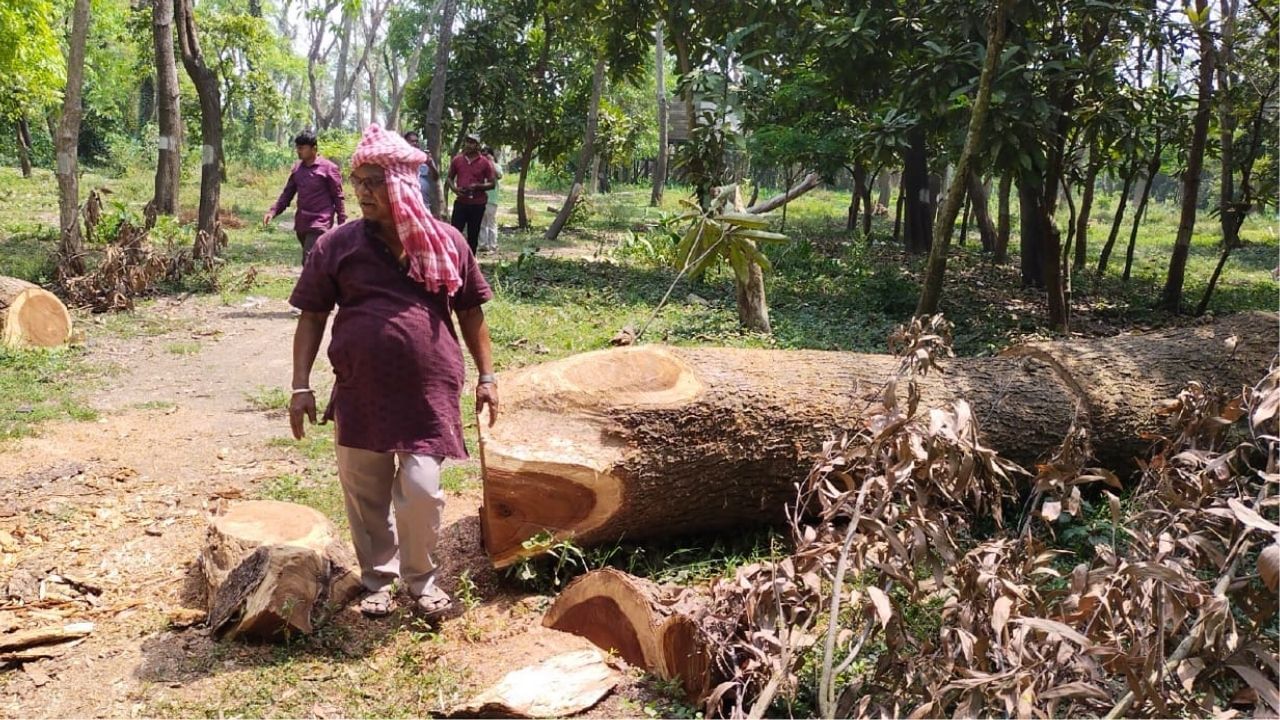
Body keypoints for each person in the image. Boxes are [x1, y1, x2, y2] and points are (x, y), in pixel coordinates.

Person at [287, 124, 498, 619]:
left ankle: (420, 578)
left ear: (403, 184)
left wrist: (488, 377)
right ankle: (377, 578)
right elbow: (313, 315)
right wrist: (300, 385)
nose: (362, 192)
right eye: (358, 181)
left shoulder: (446, 242)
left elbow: (471, 312)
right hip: (360, 389)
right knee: (365, 492)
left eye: (374, 182)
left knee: (422, 492)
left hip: (428, 391)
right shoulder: (336, 246)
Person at [263, 131, 347, 265]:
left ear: (313, 149)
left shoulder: (328, 168)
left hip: (321, 222)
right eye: (297, 147)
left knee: (309, 260)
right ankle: (327, 282)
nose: (298, 151)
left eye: (302, 148)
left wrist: (342, 222)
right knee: (316, 260)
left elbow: (338, 197)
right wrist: (273, 211)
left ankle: (313, 285)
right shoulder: (297, 169)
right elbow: (287, 193)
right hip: (302, 223)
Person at [446, 133, 497, 254]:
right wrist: (455, 189)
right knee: (455, 232)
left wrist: (478, 186)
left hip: (477, 204)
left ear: (477, 145)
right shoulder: (457, 159)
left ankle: (471, 262)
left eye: (472, 142)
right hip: (461, 202)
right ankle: (455, 259)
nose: (468, 145)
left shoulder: (485, 162)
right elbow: (449, 178)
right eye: (467, 141)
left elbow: (492, 183)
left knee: (473, 234)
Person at [402, 130, 440, 216]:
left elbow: (436, 177)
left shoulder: (425, 157)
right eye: (412, 141)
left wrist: (430, 165)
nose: (415, 143)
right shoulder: (401, 159)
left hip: (424, 206)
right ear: (405, 143)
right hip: (407, 206)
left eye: (416, 141)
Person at [478, 146, 504, 253]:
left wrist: (491, 162)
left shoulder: (495, 166)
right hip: (479, 199)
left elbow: (499, 175)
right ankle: (483, 245)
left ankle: (493, 245)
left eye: (486, 153)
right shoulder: (479, 166)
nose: (484, 155)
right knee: (482, 223)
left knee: (491, 222)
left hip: (491, 199)